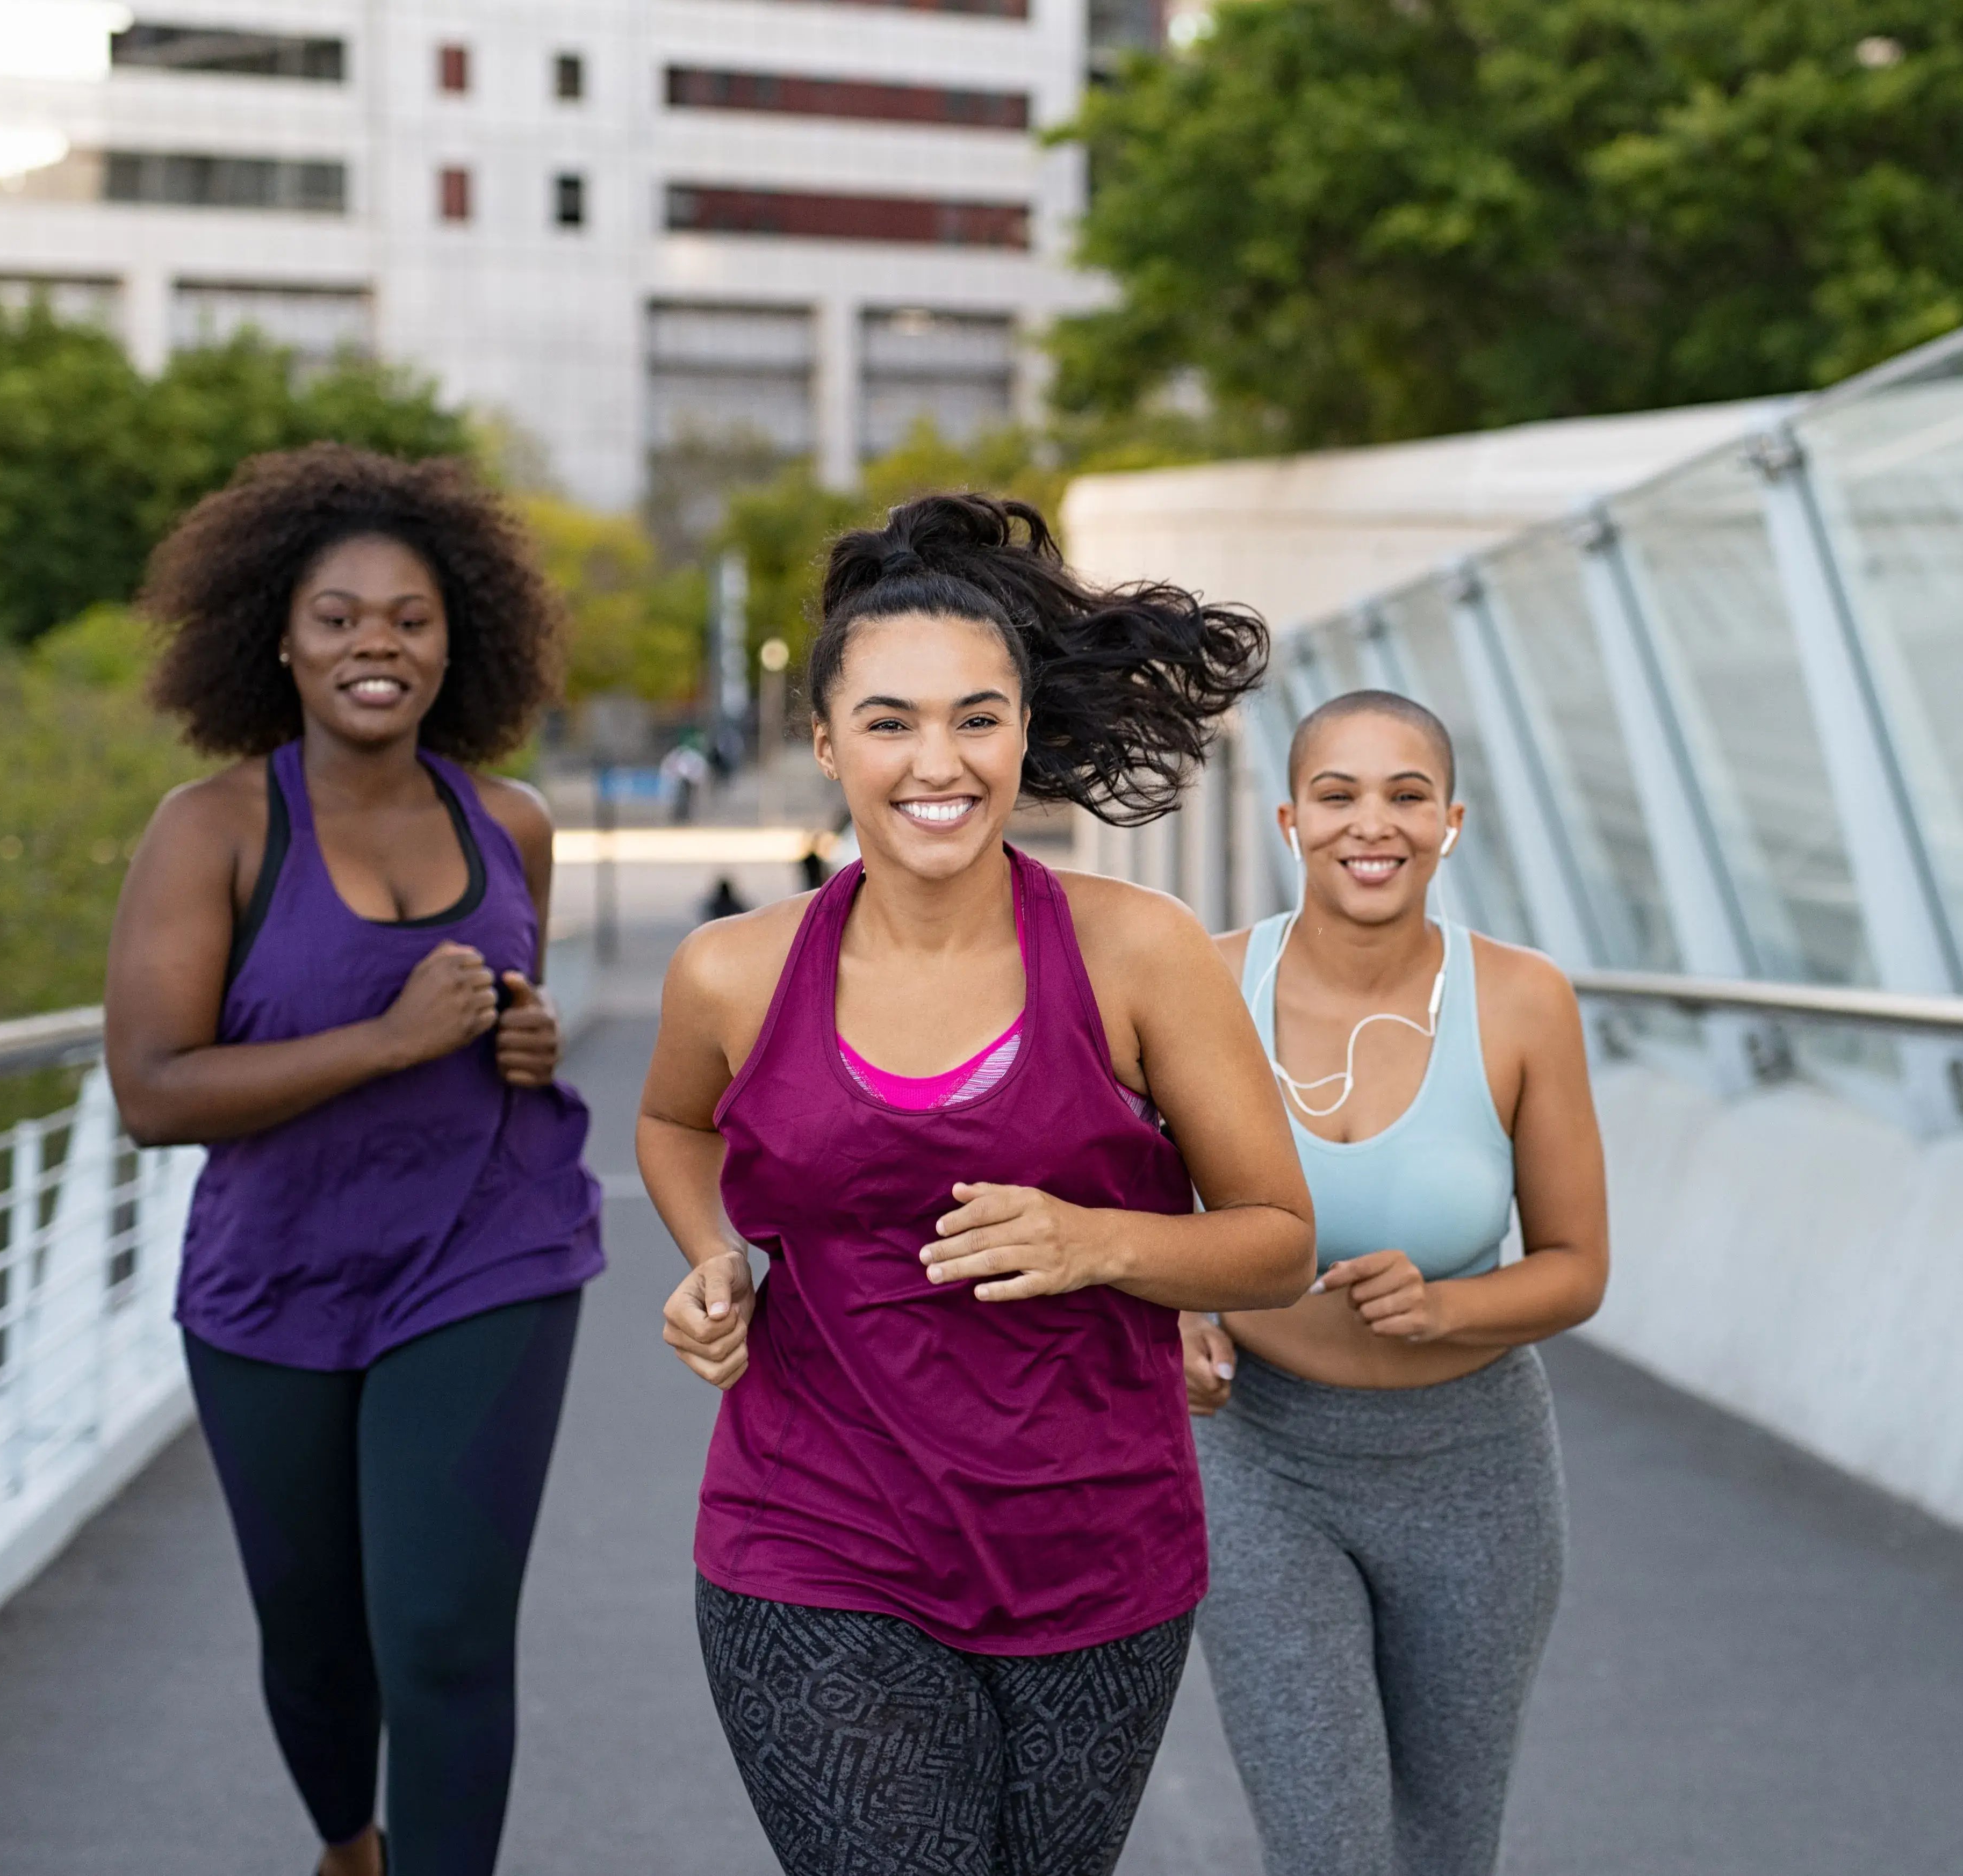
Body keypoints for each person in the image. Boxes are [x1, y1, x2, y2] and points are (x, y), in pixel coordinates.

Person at [639, 492, 1316, 1876]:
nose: (934, 761)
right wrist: (715, 1256)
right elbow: (672, 1122)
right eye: (888, 721)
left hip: (1097, 1554)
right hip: (813, 1536)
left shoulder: (1140, 951)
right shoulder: (733, 970)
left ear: (1023, 734)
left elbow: (1276, 1243)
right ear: (825, 741)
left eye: (975, 717)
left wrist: (1096, 1241)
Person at [104, 445, 603, 1876]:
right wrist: (387, 1041)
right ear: (278, 634)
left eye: (410, 616)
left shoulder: (510, 821)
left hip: (489, 1254)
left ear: (460, 641)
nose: (375, 641)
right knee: (316, 1642)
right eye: (338, 615)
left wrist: (529, 1037)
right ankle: (348, 1840)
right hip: (278, 1277)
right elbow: (151, 1089)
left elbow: (508, 1016)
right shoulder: (211, 831)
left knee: (445, 1630)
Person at [1183, 689, 1610, 1876]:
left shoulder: (1524, 1000)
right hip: (1264, 1462)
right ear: (1288, 818)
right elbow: (1134, 1198)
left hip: (1476, 1471)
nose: (1372, 824)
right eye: (1338, 794)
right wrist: (1178, 1314)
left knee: (1442, 1846)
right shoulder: (1206, 984)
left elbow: (1578, 1268)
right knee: (1326, 1845)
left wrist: (1447, 1305)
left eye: (1406, 795)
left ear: (1451, 822)